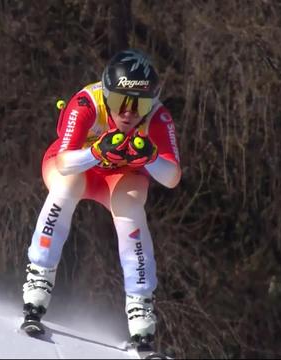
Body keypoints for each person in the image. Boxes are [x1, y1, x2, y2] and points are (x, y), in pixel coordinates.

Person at [21, 48, 181, 345]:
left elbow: (172, 177)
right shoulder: (86, 103)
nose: (129, 113)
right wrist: (97, 151)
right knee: (66, 187)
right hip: (78, 166)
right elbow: (63, 162)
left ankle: (140, 306)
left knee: (130, 209)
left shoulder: (158, 116)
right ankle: (38, 279)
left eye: (140, 104)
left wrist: (150, 157)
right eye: (121, 101)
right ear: (107, 94)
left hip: (119, 178)